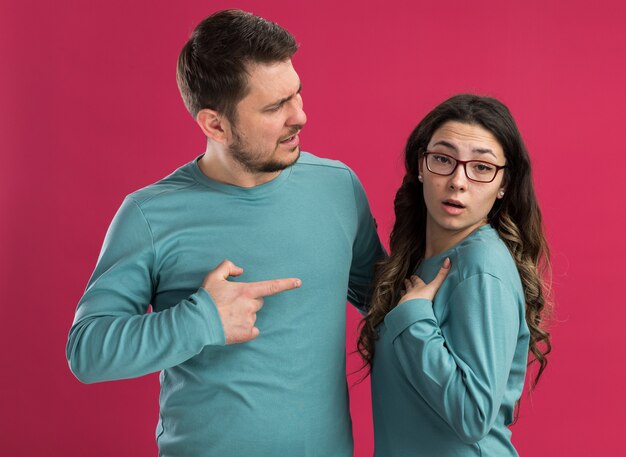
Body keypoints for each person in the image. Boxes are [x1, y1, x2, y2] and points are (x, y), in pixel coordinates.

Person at [66, 9, 384, 457]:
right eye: (275, 107)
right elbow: (88, 352)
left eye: (296, 94)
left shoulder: (338, 186)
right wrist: (201, 321)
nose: (301, 117)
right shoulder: (149, 214)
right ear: (215, 124)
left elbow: (384, 298)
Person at [358, 94, 551, 456]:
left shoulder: (481, 267)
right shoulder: (421, 262)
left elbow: (473, 416)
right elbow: (380, 301)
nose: (458, 181)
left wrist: (415, 321)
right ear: (420, 166)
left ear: (504, 184)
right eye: (443, 160)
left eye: (481, 167)